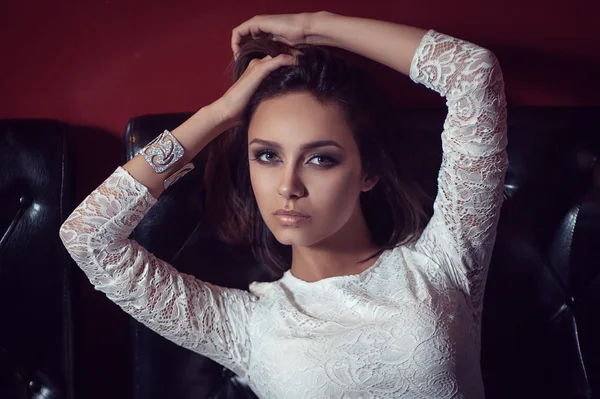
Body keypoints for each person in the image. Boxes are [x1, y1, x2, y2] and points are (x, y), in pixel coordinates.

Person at [59, 10, 508, 398]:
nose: (288, 186)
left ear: (368, 171)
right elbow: (87, 238)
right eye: (267, 155)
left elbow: (473, 73)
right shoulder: (246, 325)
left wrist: (314, 27)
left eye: (320, 159)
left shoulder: (444, 262)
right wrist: (218, 115)